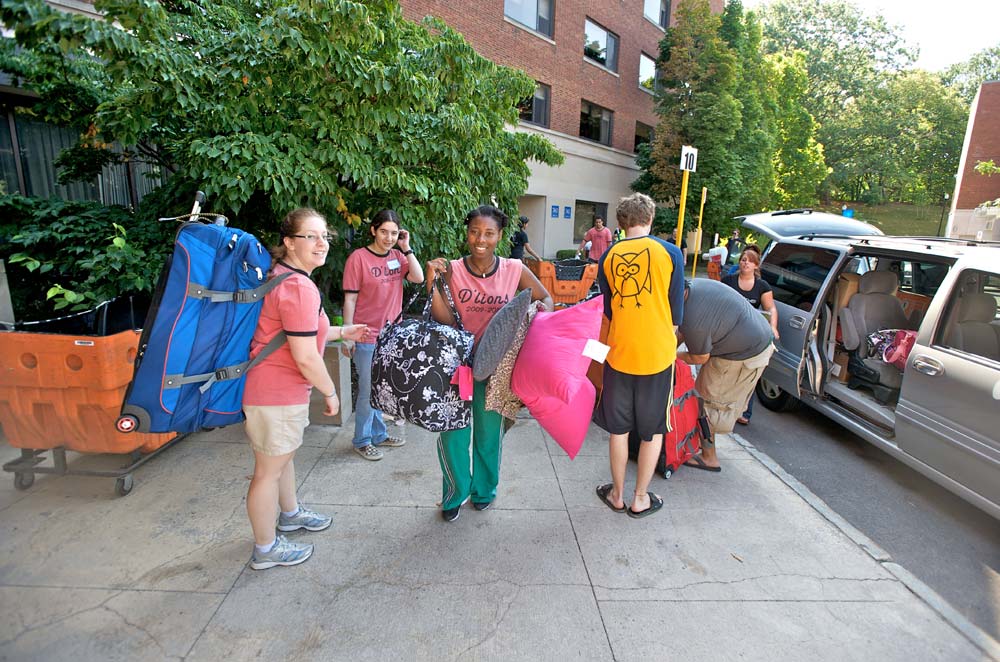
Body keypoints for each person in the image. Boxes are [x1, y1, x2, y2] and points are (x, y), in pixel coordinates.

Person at [243, 208, 368, 570]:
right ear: (288, 242)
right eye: (310, 236)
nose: (321, 243)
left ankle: (290, 514)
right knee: (267, 472)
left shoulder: (284, 277)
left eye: (324, 236)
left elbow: (297, 334)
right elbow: (305, 356)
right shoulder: (298, 287)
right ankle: (266, 549)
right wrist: (331, 392)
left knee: (282, 461)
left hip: (275, 392)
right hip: (276, 394)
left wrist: (344, 331)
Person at [425, 205, 553, 522]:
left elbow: (545, 298)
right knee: (452, 434)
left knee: (488, 435)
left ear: (500, 236)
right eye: (474, 232)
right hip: (457, 364)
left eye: (489, 233)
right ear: (467, 232)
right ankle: (454, 494)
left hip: (497, 368)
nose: (480, 239)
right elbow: (443, 319)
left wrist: (531, 324)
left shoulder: (513, 268)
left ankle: (484, 491)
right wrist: (432, 282)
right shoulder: (452, 269)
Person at [593, 193, 685, 518]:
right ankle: (640, 497)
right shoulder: (671, 253)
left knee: (619, 430)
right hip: (658, 356)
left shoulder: (608, 257)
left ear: (621, 223)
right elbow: (676, 317)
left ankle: (616, 494)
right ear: (651, 219)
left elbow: (607, 312)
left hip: (619, 354)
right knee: (653, 430)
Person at [341, 209, 425, 460]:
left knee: (382, 388)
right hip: (366, 335)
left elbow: (418, 278)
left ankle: (378, 434)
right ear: (373, 231)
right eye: (384, 232)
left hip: (392, 336)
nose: (389, 238)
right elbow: (350, 299)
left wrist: (406, 247)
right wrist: (347, 333)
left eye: (394, 233)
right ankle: (361, 439)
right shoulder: (358, 258)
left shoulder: (399, 257)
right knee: (368, 391)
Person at [676, 278, 775, 472]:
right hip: (755, 341)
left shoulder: (694, 319)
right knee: (704, 396)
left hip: (741, 354)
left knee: (705, 403)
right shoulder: (695, 286)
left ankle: (709, 457)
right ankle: (702, 445)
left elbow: (699, 357)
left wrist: (671, 355)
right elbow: (683, 331)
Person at [721, 249, 779, 425]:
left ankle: (744, 411)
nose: (745, 263)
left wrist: (773, 328)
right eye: (743, 259)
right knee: (726, 371)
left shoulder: (762, 286)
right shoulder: (729, 281)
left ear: (756, 265)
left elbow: (771, 309)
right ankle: (722, 407)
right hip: (729, 332)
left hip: (751, 336)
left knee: (749, 373)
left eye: (749, 260)